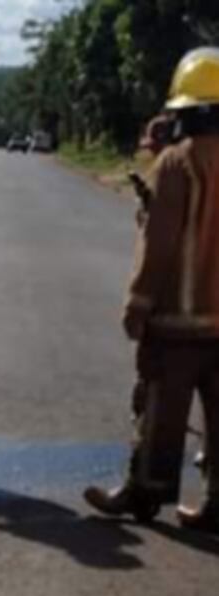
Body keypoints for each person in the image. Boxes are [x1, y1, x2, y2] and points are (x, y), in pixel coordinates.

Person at [84, 47, 219, 533]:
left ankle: (144, 493)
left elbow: (158, 244)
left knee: (159, 410)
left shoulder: (175, 163)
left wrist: (136, 305)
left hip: (176, 324)